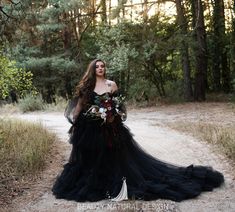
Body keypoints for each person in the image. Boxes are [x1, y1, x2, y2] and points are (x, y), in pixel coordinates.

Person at [52, 59, 224, 202]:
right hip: (91, 128)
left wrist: (114, 114)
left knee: (116, 156)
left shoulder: (111, 85)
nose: (100, 68)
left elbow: (118, 104)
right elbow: (80, 106)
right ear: (92, 69)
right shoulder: (87, 86)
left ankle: (116, 183)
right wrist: (75, 121)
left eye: (102, 66)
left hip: (112, 126)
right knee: (92, 157)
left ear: (105, 69)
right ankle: (96, 182)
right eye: (97, 66)